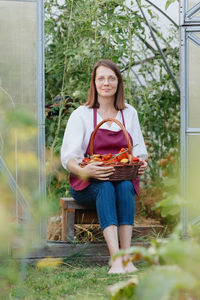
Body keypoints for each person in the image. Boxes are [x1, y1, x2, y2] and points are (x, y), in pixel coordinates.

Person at [61, 59, 148, 274]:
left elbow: (138, 152)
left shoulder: (129, 113)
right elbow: (68, 158)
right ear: (94, 83)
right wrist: (84, 170)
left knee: (125, 186)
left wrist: (141, 163)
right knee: (106, 187)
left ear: (118, 83)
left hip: (122, 179)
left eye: (111, 78)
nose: (106, 83)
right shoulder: (81, 115)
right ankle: (115, 259)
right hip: (87, 184)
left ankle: (127, 258)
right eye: (101, 78)